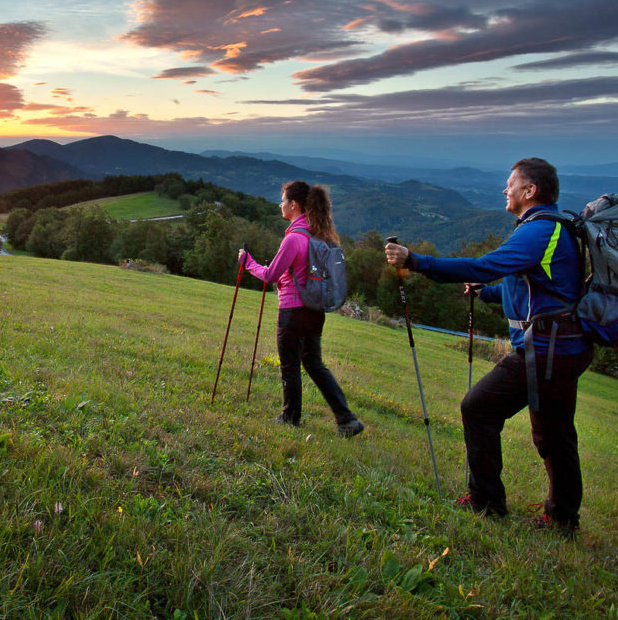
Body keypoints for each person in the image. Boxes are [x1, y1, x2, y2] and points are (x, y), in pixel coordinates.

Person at [384, 157, 590, 535]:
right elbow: (528, 286)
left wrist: (417, 261)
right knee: (555, 435)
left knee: (479, 409)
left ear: (530, 191)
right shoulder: (548, 228)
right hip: (559, 348)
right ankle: (562, 519)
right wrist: (489, 294)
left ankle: (488, 503)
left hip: (545, 351)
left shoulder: (539, 231)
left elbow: (484, 265)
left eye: (511, 183)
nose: (505, 189)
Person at [239, 180, 364, 438]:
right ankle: (347, 419)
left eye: (283, 200)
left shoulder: (294, 239)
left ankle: (290, 417)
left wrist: (246, 262)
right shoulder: (318, 235)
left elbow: (271, 274)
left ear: (294, 205)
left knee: (290, 366)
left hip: (292, 310)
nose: (280, 204)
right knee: (314, 363)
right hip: (315, 310)